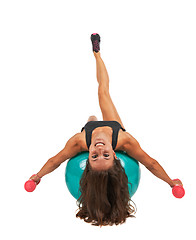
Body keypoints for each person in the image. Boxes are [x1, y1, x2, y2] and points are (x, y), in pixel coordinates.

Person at [29, 33, 183, 226]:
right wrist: (171, 182)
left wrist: (37, 177)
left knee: (90, 119)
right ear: (116, 155)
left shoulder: (78, 142)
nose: (100, 149)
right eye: (106, 156)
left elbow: (55, 160)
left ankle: (91, 112)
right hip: (113, 128)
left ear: (87, 158)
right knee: (103, 90)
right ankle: (97, 54)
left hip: (89, 131)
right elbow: (150, 163)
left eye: (94, 156)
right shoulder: (124, 141)